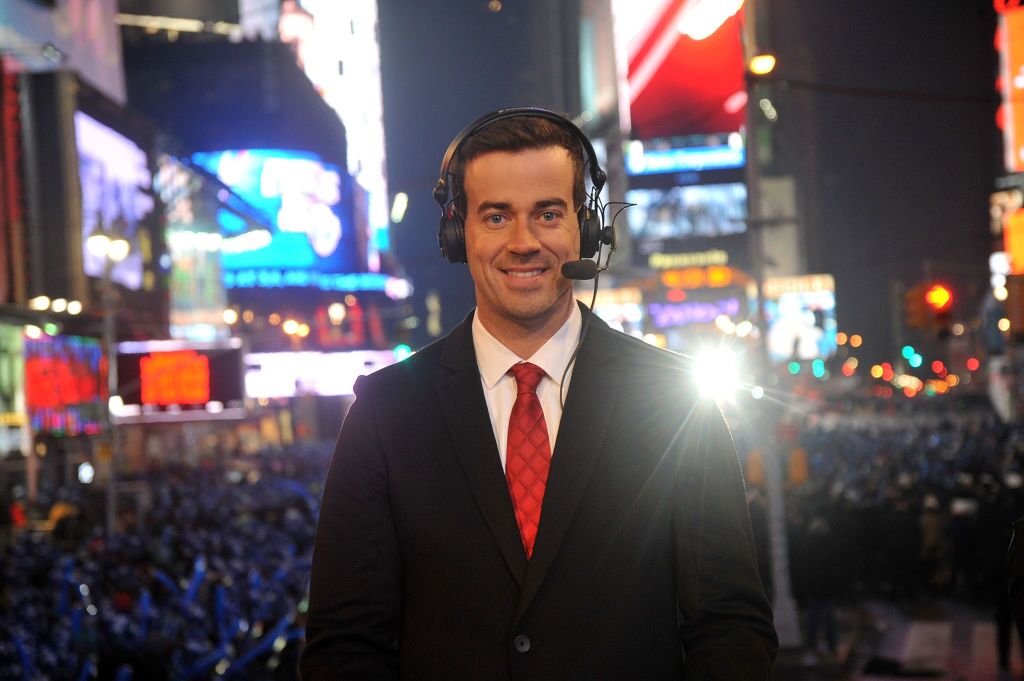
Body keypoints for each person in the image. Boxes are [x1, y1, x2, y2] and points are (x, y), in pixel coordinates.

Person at [300, 108, 778, 680]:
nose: (523, 242)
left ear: (588, 228)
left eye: (547, 214)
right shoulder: (385, 411)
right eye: (496, 216)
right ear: (459, 234)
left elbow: (730, 626)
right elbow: (344, 644)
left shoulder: (675, 398)